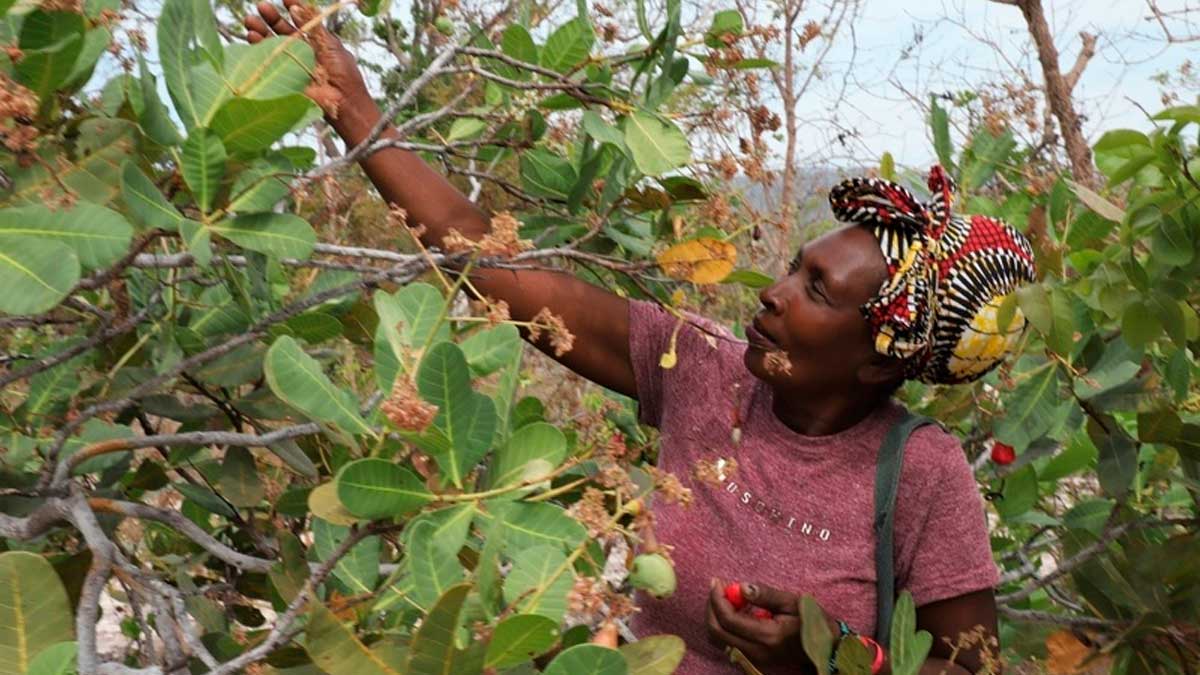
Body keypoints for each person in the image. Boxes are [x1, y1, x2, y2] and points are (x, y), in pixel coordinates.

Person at [244, 3, 1037, 673]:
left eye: (815, 291)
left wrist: (827, 658)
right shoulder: (698, 368)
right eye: (797, 266)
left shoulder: (923, 471)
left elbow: (974, 665)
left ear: (877, 361)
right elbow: (491, 267)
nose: (773, 290)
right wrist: (354, 108)